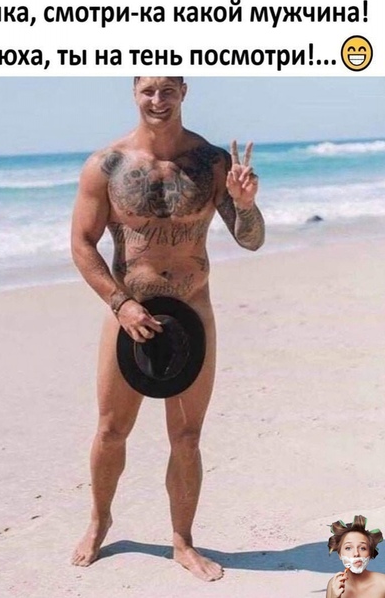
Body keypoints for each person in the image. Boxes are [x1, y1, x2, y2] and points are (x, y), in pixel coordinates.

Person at [70, 76, 265, 581]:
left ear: (184, 91)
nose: (158, 101)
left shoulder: (212, 162)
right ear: (134, 91)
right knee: (112, 430)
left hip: (193, 315)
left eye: (168, 90)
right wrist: (120, 304)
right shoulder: (106, 165)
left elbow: (250, 240)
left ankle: (182, 541)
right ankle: (99, 520)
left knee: (187, 435)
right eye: (149, 90)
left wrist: (245, 205)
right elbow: (82, 243)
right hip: (129, 314)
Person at [326, 515, 385, 597]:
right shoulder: (334, 584)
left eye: (362, 548)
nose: (356, 553)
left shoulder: (383, 584)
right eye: (348, 548)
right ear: (340, 554)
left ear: (370, 553)